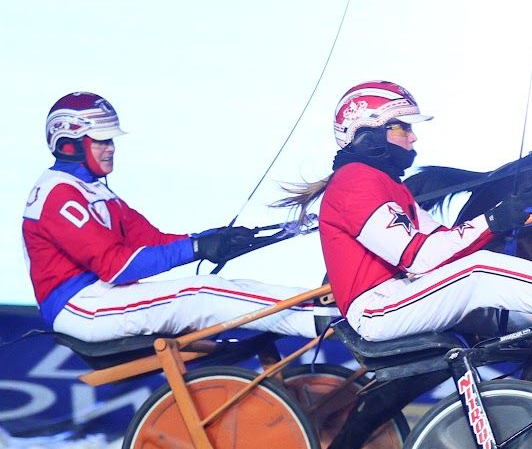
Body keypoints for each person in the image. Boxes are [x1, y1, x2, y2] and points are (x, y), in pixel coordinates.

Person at [302, 81, 532, 342]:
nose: (413, 137)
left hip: (401, 297)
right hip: (378, 311)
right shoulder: (353, 182)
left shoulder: (386, 184)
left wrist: (497, 219)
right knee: (481, 270)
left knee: (515, 295)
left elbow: (439, 241)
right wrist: (492, 221)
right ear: (368, 133)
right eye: (402, 128)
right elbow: (418, 257)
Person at [22, 92, 324, 342]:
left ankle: (318, 305)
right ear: (68, 144)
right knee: (203, 293)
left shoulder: (92, 189)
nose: (111, 148)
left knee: (219, 287)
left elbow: (153, 241)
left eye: (111, 141)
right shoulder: (58, 194)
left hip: (101, 297)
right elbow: (115, 267)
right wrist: (196, 249)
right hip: (81, 307)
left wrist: (209, 239)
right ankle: (318, 320)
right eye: (101, 141)